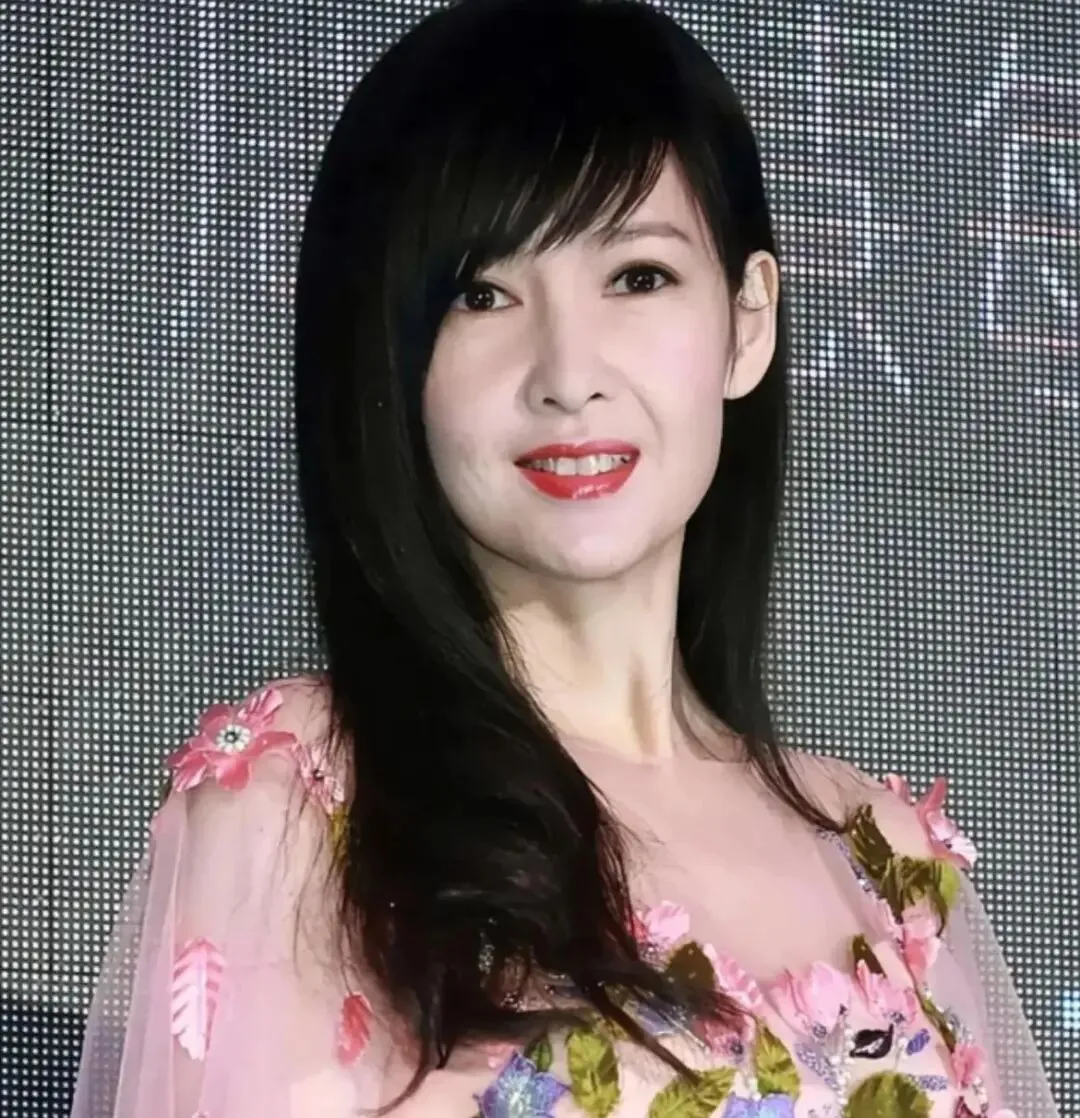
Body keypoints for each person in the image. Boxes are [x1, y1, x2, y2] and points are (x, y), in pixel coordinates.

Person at [68, 1, 1060, 1115]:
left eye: (638, 276)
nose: (568, 373)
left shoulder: (884, 857)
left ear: (747, 322)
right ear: (391, 360)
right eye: (482, 294)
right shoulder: (309, 801)